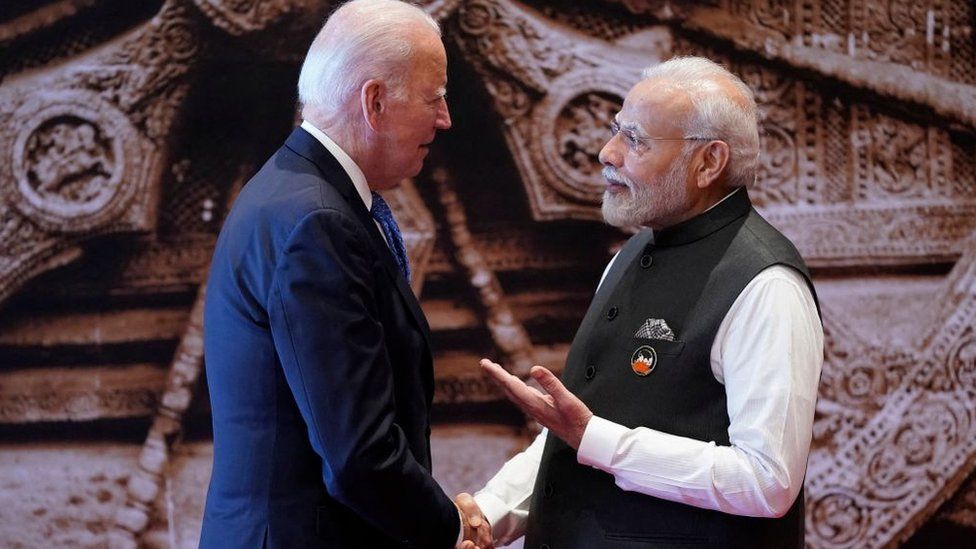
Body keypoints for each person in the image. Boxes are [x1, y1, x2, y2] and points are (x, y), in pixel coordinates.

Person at [458, 56, 824, 548]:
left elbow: (767, 480)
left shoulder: (767, 284)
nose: (607, 153)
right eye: (616, 132)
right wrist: (487, 514)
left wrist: (599, 440)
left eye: (635, 140)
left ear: (708, 162)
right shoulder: (630, 255)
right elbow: (577, 434)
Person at [200, 1, 490, 547]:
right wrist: (451, 529)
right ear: (374, 101)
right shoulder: (318, 222)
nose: (446, 118)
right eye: (435, 98)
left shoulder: (291, 189)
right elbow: (359, 455)